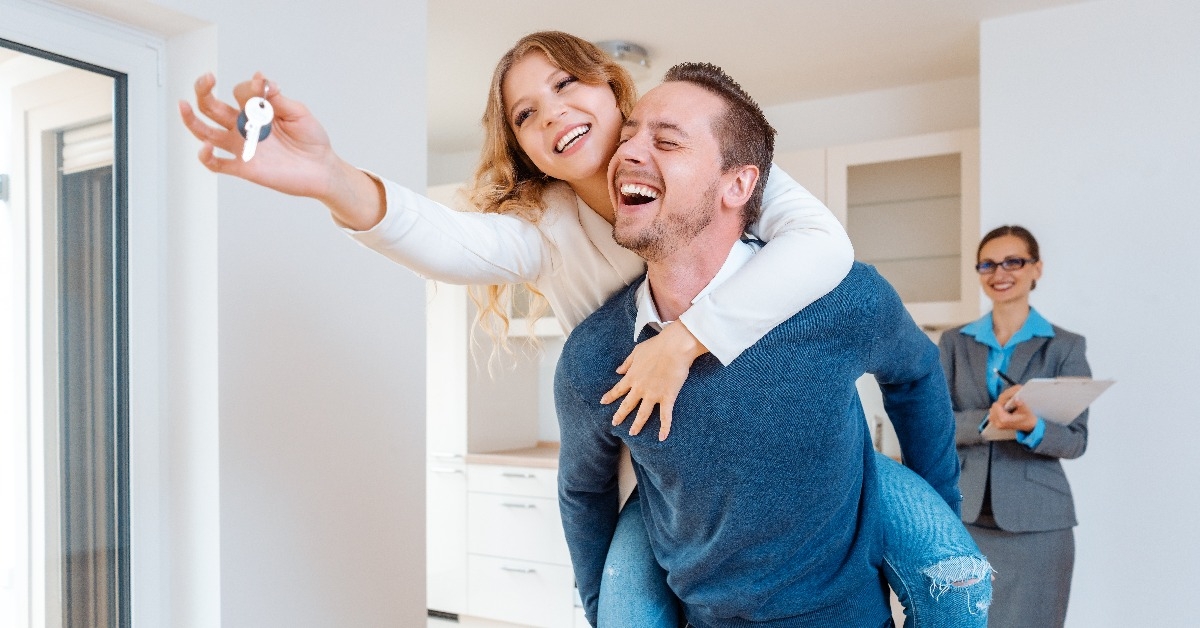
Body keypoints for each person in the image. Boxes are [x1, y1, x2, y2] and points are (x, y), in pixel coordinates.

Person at [179, 32, 987, 627]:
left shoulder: (744, 192)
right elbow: (440, 236)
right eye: (526, 114)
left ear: (614, 90)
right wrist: (330, 177)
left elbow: (828, 251)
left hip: (821, 477)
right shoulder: (553, 243)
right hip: (663, 485)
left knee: (956, 571)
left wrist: (684, 340)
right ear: (528, 152)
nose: (554, 112)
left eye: (567, 83)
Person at [557, 61, 986, 628]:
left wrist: (936, 522)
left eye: (667, 141)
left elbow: (917, 374)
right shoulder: (594, 356)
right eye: (627, 136)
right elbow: (583, 492)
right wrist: (602, 611)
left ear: (738, 185)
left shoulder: (839, 298)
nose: (627, 153)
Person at [938, 225, 1089, 627]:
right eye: (987, 264)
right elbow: (933, 427)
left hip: (1039, 526)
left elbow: (1076, 440)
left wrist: (1032, 426)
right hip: (963, 519)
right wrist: (988, 422)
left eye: (1013, 262)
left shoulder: (1065, 346)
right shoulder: (953, 343)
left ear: (1036, 269)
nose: (999, 273)